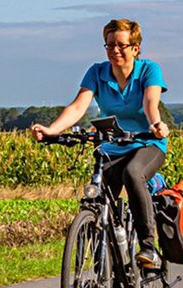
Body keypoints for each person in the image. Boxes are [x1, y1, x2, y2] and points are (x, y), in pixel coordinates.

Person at [30, 18, 170, 269]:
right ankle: (102, 278)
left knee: (133, 173)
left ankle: (148, 247)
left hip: (146, 143)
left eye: (121, 45)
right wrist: (51, 130)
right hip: (112, 146)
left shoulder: (149, 70)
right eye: (109, 45)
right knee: (98, 202)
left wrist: (156, 125)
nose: (114, 50)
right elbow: (78, 106)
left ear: (135, 48)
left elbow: (150, 103)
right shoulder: (97, 72)